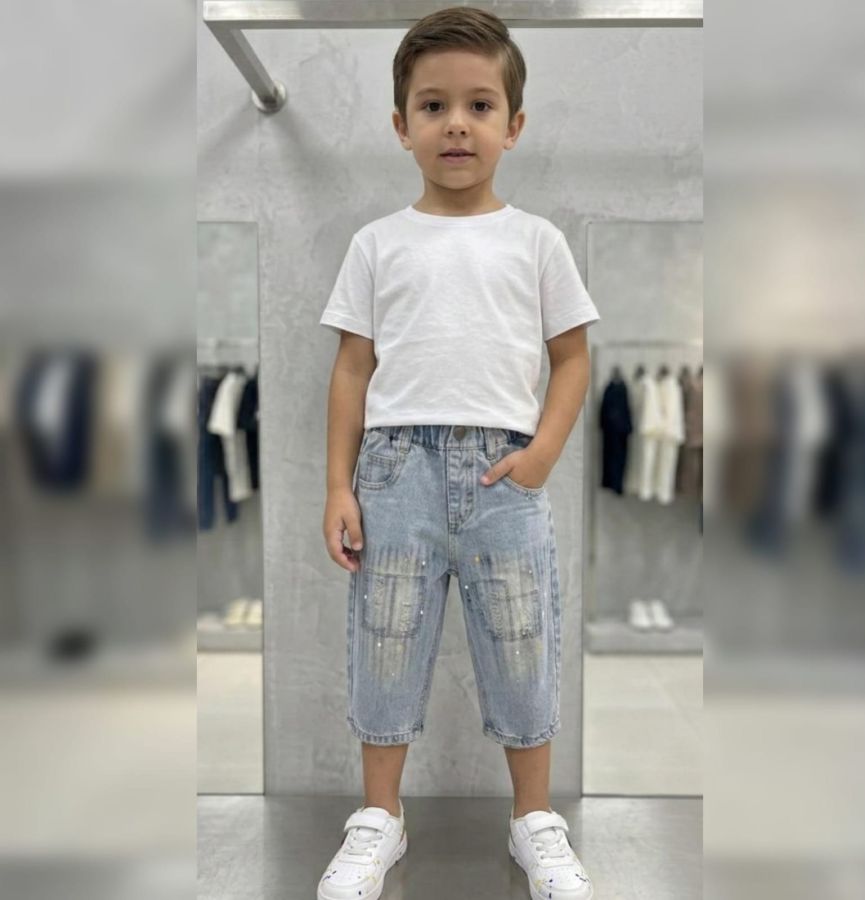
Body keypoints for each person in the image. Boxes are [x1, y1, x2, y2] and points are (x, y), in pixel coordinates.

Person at [317, 7, 599, 899]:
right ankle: (379, 817)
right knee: (386, 642)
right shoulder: (376, 243)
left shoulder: (538, 241)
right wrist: (338, 486)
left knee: (522, 643)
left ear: (514, 125)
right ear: (401, 125)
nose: (456, 125)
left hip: (504, 474)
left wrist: (542, 453)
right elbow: (352, 369)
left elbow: (572, 358)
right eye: (433, 106)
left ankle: (534, 821)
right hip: (393, 471)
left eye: (480, 105)